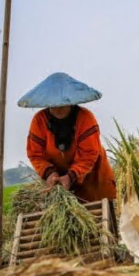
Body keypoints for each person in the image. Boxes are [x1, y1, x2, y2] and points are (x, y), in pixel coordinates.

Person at [18, 72, 116, 202]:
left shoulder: (86, 119)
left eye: (62, 104)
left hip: (94, 178)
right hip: (60, 183)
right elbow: (35, 154)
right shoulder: (39, 121)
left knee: (103, 214)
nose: (58, 108)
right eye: (54, 104)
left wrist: (71, 176)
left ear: (70, 101)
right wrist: (50, 173)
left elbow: (89, 155)